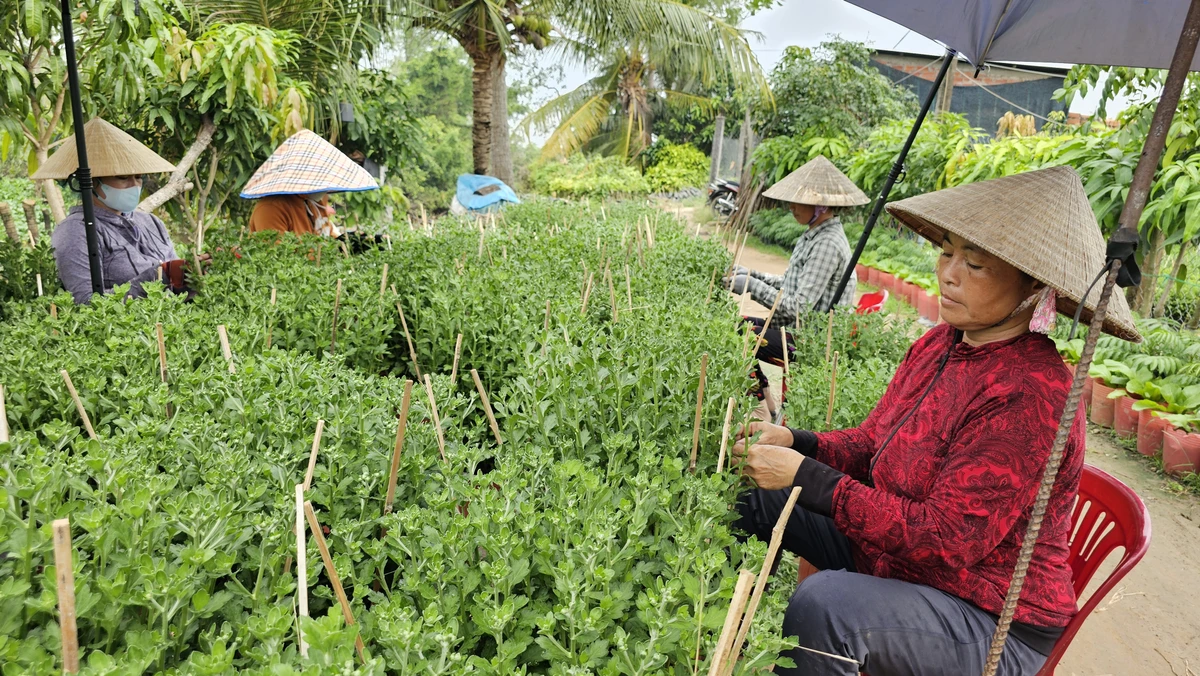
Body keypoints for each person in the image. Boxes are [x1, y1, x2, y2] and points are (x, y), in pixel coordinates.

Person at [729, 166, 1141, 676]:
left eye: (975, 263)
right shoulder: (939, 344)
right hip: (899, 557)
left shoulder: (1033, 393)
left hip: (984, 612)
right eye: (947, 251)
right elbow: (872, 443)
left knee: (826, 608)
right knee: (750, 493)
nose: (948, 272)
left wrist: (804, 475)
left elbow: (945, 539)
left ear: (1033, 285)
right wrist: (797, 441)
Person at [726, 156, 870, 416]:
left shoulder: (827, 243)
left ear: (821, 205)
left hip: (808, 338)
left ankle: (761, 408)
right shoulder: (813, 234)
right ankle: (768, 404)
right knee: (733, 327)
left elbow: (799, 307)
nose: (792, 206)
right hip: (791, 328)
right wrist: (751, 275)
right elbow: (788, 285)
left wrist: (749, 286)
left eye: (799, 201)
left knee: (739, 336)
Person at [33, 118, 192, 304]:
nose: (134, 185)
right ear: (92, 182)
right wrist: (158, 276)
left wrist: (194, 272)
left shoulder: (151, 222)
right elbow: (85, 302)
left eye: (138, 177)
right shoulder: (75, 232)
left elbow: (177, 285)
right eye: (123, 177)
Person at [243, 129, 380, 252]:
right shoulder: (271, 209)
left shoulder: (313, 202)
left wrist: (355, 243)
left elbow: (327, 237)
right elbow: (278, 258)